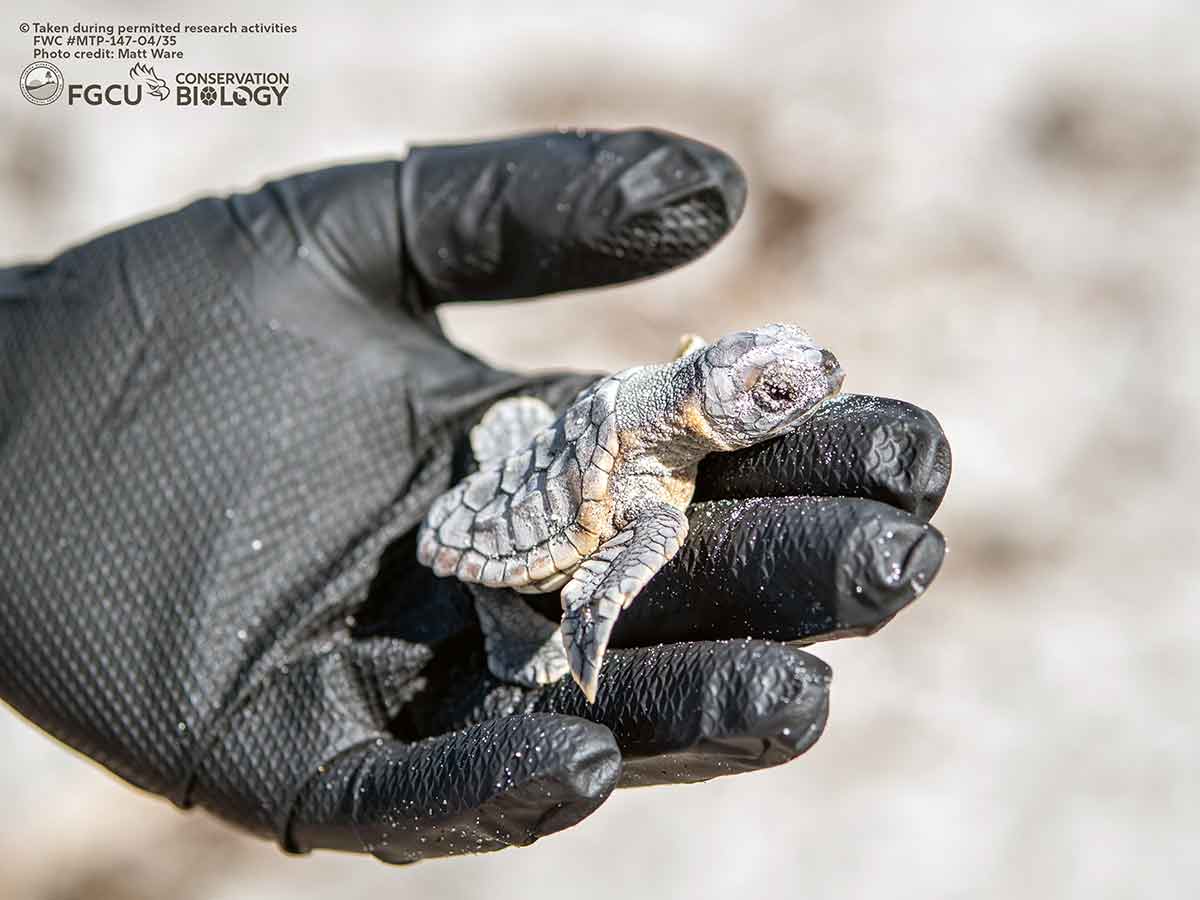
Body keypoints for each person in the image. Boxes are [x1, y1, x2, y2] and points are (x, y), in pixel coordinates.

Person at [0, 129, 950, 864]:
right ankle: (506, 625)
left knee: (526, 430)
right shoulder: (654, 492)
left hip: (530, 453)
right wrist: (562, 633)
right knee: (564, 595)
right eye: (779, 392)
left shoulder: (645, 391)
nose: (810, 382)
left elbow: (599, 416)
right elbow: (594, 579)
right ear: (705, 408)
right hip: (510, 530)